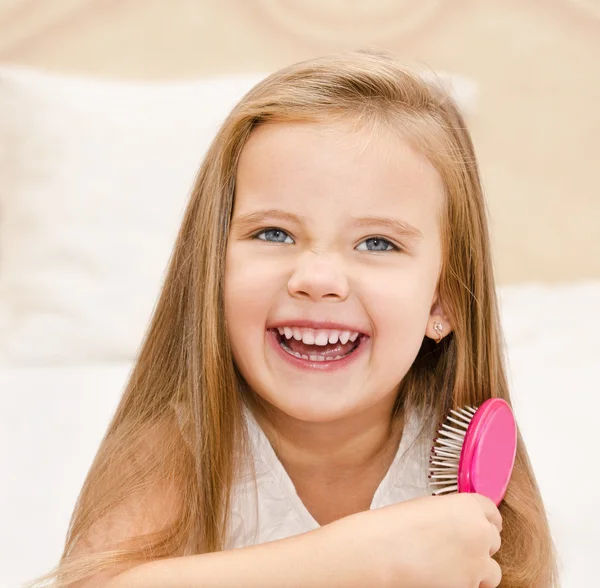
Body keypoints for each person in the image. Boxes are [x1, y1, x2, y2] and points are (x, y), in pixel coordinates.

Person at [29, 49, 558, 588]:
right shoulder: (181, 448)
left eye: (377, 242)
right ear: (212, 269)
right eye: (274, 234)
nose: (318, 277)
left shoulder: (468, 466)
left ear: (442, 302)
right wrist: (360, 560)